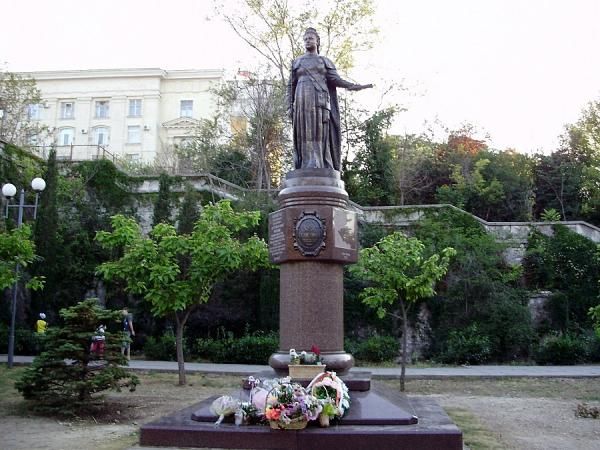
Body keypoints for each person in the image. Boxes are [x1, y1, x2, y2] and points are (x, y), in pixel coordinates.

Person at [287, 27, 372, 171]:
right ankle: (304, 165)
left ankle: (318, 163)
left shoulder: (324, 61)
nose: (308, 41)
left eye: (311, 38)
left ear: (317, 41)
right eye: (306, 39)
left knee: (319, 132)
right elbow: (290, 86)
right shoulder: (297, 62)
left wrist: (354, 86)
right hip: (301, 100)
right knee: (303, 132)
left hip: (319, 100)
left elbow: (336, 80)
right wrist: (289, 106)